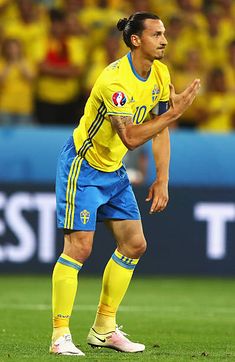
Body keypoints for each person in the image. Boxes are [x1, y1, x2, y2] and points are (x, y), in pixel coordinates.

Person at [50, 12, 200, 356]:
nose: (164, 40)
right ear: (136, 40)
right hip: (83, 166)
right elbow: (132, 137)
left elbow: (160, 129)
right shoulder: (114, 81)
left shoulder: (160, 73)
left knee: (134, 244)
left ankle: (103, 329)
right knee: (79, 249)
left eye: (164, 34)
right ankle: (60, 336)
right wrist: (174, 113)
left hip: (113, 169)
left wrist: (162, 178)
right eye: (156, 34)